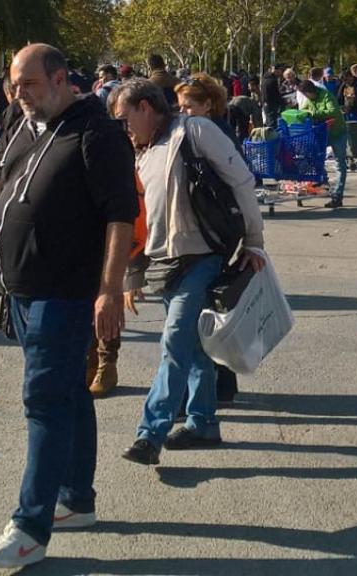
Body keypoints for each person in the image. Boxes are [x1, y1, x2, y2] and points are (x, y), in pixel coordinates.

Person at [0, 44, 138, 569]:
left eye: (30, 85)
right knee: (68, 392)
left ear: (62, 79)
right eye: (14, 85)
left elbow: (121, 216)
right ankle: (75, 499)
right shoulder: (23, 124)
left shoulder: (98, 133)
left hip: (64, 293)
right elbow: (4, 196)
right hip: (20, 289)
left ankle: (29, 527)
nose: (19, 95)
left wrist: (110, 289)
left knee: (44, 400)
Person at [110, 78, 267, 466]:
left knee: (175, 340)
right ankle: (203, 423)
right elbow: (139, 219)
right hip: (164, 264)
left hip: (202, 256)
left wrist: (254, 241)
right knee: (194, 347)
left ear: (146, 107)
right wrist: (133, 275)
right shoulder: (142, 152)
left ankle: (150, 434)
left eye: (125, 118)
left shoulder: (194, 130)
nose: (123, 128)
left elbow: (241, 181)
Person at [295, 78, 348, 208]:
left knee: (340, 164)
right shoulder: (309, 100)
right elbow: (304, 110)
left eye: (305, 94)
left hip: (337, 132)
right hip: (322, 133)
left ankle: (337, 196)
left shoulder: (326, 95)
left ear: (309, 92)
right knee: (314, 158)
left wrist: (314, 113)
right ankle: (322, 180)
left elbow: (333, 111)